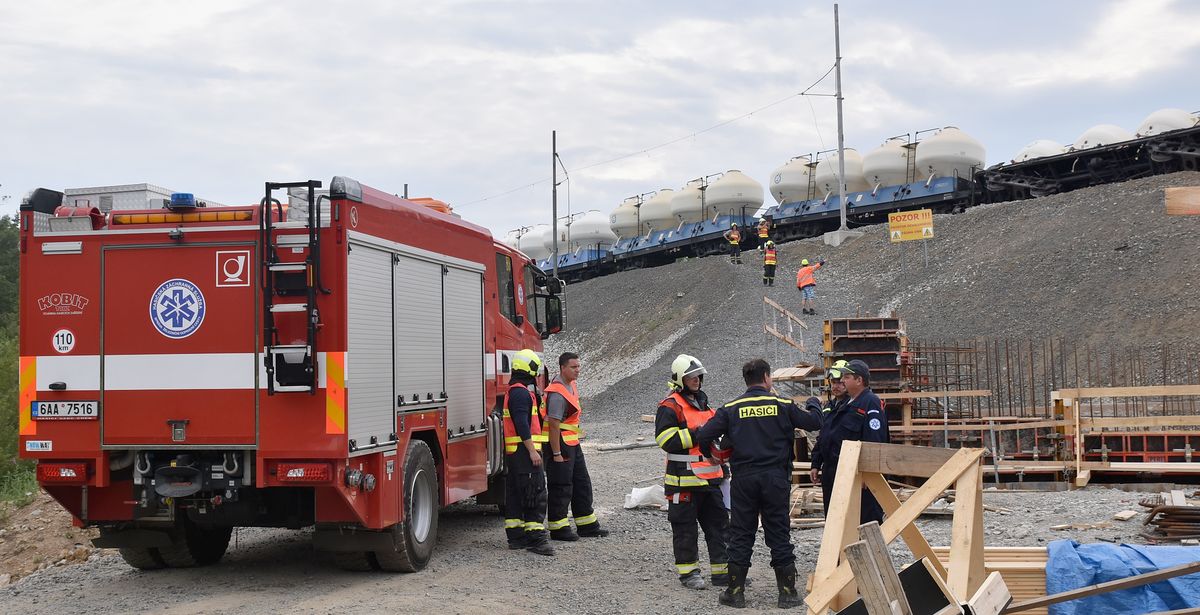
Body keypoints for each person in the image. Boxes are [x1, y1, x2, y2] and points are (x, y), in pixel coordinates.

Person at [698, 358, 823, 609]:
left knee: (741, 533)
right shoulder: (782, 405)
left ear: (746, 380)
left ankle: (735, 592)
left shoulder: (731, 408)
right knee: (778, 532)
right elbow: (814, 423)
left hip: (744, 480)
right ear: (766, 377)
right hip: (775, 479)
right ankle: (787, 593)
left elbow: (704, 434)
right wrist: (814, 403)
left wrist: (709, 453)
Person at [655, 354, 730, 590]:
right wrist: (699, 433)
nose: (696, 380)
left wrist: (723, 465)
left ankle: (722, 573)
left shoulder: (705, 404)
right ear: (680, 379)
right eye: (691, 377)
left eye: (698, 376)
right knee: (685, 530)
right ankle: (689, 574)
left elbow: (715, 440)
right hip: (683, 482)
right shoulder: (670, 406)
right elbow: (665, 440)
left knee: (719, 528)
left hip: (710, 480)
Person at [811, 359, 889, 525]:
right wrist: (816, 462)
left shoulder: (870, 402)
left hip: (857, 475)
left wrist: (868, 474)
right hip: (835, 472)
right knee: (837, 522)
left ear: (859, 380)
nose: (842, 381)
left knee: (865, 521)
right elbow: (826, 435)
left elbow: (874, 440)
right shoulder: (842, 404)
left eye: (846, 377)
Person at [543, 352, 609, 540]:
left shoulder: (570, 385)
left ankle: (587, 525)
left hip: (572, 442)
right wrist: (556, 453)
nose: (578, 370)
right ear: (562, 368)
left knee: (582, 483)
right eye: (573, 367)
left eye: (578, 366)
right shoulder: (557, 393)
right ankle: (559, 528)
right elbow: (554, 425)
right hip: (560, 443)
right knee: (561, 485)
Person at [501, 349, 554, 556]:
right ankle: (536, 539)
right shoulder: (521, 393)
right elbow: (522, 424)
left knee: (515, 494)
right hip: (524, 453)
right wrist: (533, 451)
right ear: (529, 369)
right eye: (535, 369)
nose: (537, 374)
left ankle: (516, 537)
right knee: (534, 492)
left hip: (516, 453)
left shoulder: (514, 391)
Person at [809, 360, 851, 515]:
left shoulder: (854, 406)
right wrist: (815, 464)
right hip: (829, 469)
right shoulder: (829, 408)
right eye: (833, 382)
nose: (836, 386)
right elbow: (823, 438)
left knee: (848, 512)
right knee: (831, 512)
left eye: (840, 382)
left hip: (847, 468)